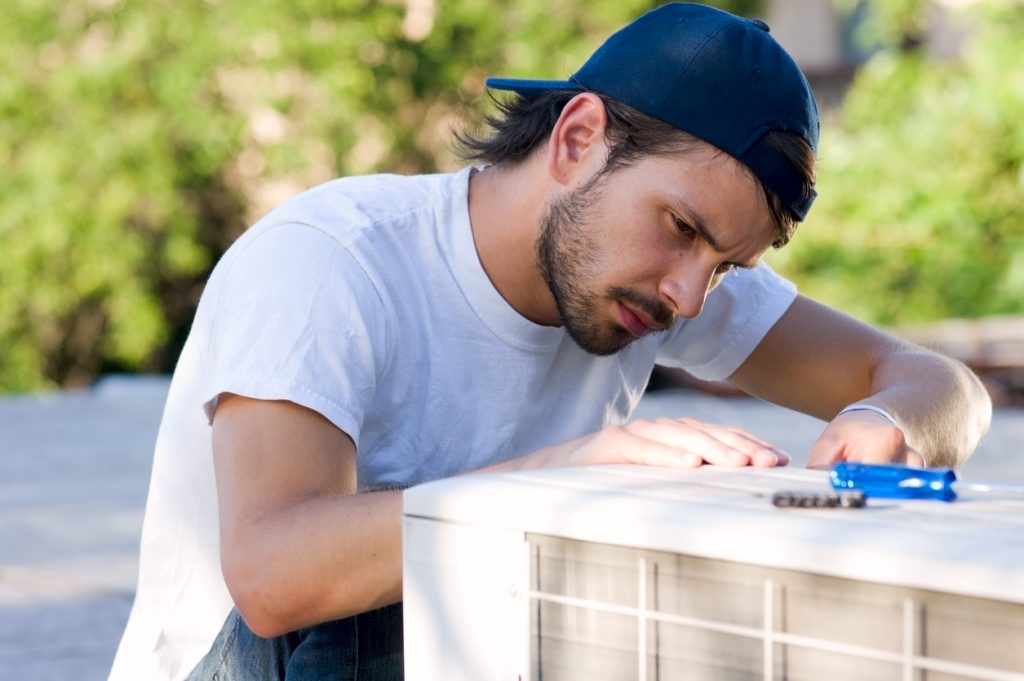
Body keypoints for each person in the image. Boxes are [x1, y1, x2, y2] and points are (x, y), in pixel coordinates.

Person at [109, 3, 992, 680]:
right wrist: (574, 476)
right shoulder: (330, 260)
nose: (690, 294)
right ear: (577, 138)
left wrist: (886, 415)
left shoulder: (657, 281)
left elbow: (941, 385)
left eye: (728, 266)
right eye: (681, 227)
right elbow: (272, 577)